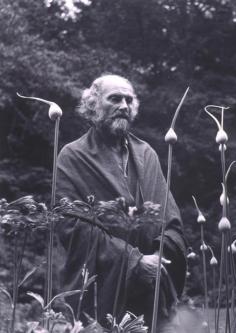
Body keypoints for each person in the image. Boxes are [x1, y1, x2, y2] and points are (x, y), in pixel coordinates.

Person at [56, 74, 187, 332]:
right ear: (93, 104)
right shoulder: (72, 156)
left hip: (150, 291)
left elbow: (171, 220)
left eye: (129, 100)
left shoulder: (147, 154)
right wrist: (133, 261)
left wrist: (160, 257)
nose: (124, 106)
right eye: (115, 99)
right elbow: (72, 226)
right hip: (101, 289)